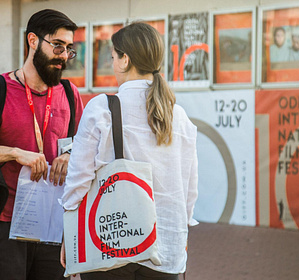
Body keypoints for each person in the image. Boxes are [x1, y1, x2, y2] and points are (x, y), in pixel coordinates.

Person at [0, 9, 84, 280]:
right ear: (33, 41)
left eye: (69, 49)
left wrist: (71, 155)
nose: (64, 55)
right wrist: (13, 153)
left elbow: (85, 146)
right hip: (5, 224)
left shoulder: (70, 93)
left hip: (54, 225)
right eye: (57, 45)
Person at [60, 22, 198, 280]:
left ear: (125, 60)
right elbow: (189, 188)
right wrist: (182, 233)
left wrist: (71, 233)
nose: (112, 64)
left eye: (113, 57)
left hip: (108, 242)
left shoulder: (102, 107)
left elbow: (79, 178)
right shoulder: (179, 116)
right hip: (166, 246)